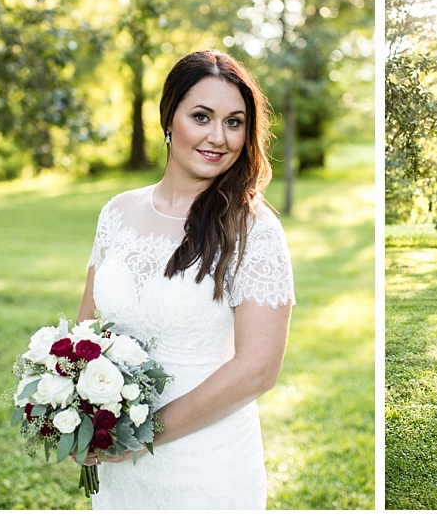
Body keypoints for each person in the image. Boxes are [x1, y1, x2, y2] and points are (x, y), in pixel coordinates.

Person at [77, 49, 295, 508]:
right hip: (118, 472)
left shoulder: (254, 231)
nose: (219, 137)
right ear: (169, 118)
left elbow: (258, 369)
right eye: (202, 116)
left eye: (235, 122)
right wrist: (77, 412)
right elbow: (86, 334)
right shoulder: (117, 212)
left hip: (205, 468)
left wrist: (141, 436)